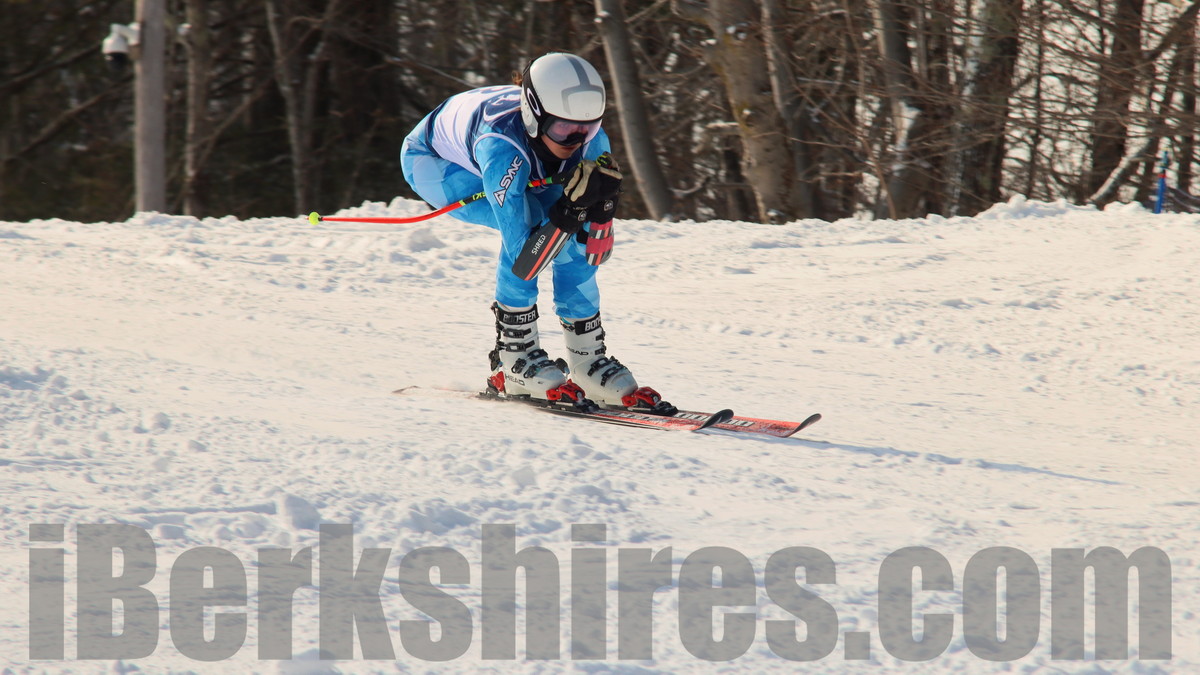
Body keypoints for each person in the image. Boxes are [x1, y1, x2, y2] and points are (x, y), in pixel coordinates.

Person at [401, 52, 662, 410]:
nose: (576, 140)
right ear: (533, 115)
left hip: (524, 152)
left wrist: (600, 213)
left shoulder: (592, 141)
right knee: (534, 218)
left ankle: (587, 359)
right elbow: (523, 256)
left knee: (573, 236)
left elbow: (594, 249)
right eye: (563, 129)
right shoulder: (500, 148)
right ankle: (515, 356)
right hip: (434, 162)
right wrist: (568, 213)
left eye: (587, 128)